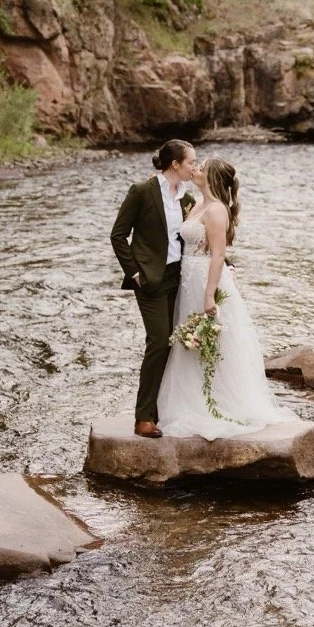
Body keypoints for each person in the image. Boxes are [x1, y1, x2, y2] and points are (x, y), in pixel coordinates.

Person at [157, 156, 294, 439]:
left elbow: (218, 254)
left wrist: (209, 296)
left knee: (212, 341)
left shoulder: (217, 210)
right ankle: (189, 401)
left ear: (212, 177)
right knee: (190, 340)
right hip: (188, 277)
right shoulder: (197, 204)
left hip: (206, 280)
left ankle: (216, 403)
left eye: (201, 167)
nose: (195, 169)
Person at [110, 139, 197, 438]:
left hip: (181, 278)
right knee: (159, 341)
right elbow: (118, 235)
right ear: (175, 164)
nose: (194, 168)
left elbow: (199, 237)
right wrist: (134, 273)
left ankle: (166, 411)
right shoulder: (142, 191)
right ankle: (143, 417)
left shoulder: (188, 199)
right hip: (149, 281)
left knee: (178, 344)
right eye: (191, 163)